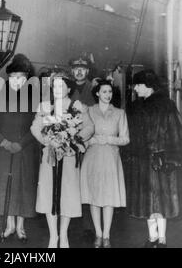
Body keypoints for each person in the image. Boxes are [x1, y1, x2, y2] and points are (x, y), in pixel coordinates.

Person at [31, 70, 94, 248]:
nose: (57, 89)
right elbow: (35, 126)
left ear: (68, 88)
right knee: (49, 195)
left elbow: (89, 127)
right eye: (55, 86)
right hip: (50, 156)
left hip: (68, 157)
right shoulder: (44, 106)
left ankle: (64, 235)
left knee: (67, 195)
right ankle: (53, 236)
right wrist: (47, 140)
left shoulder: (77, 106)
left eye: (61, 86)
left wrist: (73, 138)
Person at [124, 69, 182, 248]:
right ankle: (152, 238)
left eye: (138, 85)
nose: (135, 89)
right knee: (146, 203)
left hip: (161, 159)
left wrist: (172, 158)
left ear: (148, 86)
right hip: (141, 160)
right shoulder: (134, 107)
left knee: (161, 202)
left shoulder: (167, 105)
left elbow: (176, 133)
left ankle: (162, 239)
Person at [0, 54, 39, 243]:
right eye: (14, 76)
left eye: (22, 77)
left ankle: (21, 227)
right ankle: (9, 226)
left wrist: (21, 143)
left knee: (23, 187)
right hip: (4, 150)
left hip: (25, 150)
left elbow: (38, 124)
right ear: (8, 78)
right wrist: (4, 142)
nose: (17, 80)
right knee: (5, 186)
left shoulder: (34, 97)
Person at [80, 79, 129, 248]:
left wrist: (108, 139)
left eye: (110, 92)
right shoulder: (88, 111)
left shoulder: (119, 113)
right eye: (104, 91)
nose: (108, 95)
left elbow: (125, 139)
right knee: (94, 197)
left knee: (108, 197)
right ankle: (98, 234)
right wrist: (91, 140)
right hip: (92, 158)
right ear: (97, 93)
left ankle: (106, 235)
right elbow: (80, 137)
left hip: (110, 158)